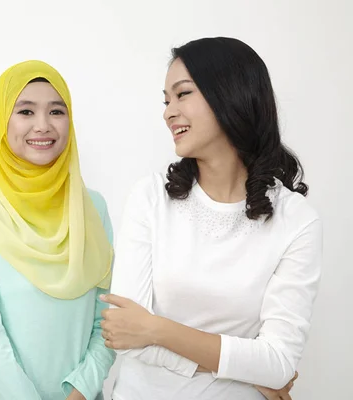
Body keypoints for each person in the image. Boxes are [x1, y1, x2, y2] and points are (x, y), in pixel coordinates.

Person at [101, 37, 322, 400]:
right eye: (166, 99)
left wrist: (156, 329)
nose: (168, 111)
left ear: (229, 95)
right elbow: (125, 337)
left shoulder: (296, 221)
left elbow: (279, 361)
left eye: (182, 94)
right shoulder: (151, 197)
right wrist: (251, 370)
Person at [0, 60, 115, 400]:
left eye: (56, 111)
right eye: (25, 112)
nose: (43, 125)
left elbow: (107, 320)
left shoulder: (92, 208)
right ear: (1, 121)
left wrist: (81, 390)